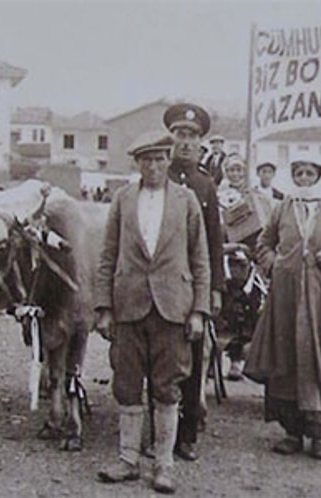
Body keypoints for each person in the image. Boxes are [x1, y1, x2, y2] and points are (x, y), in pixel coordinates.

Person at [94, 132, 210, 493]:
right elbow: (107, 257)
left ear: (168, 161)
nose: (154, 167)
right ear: (137, 164)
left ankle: (164, 463)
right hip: (129, 306)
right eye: (147, 161)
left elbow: (200, 259)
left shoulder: (186, 200)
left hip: (172, 307)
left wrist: (198, 311)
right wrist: (104, 307)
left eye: (160, 160)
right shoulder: (123, 199)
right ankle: (127, 459)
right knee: (127, 385)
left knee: (167, 387)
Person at [244, 155, 321, 460]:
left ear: (319, 175)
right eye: (299, 173)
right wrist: (273, 263)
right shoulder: (283, 207)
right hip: (286, 296)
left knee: (320, 356)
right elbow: (263, 242)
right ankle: (291, 431)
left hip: (320, 297)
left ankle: (320, 434)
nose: (304, 178)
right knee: (288, 357)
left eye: (310, 173)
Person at [161, 103, 224, 462]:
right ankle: (156, 431)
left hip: (192, 283)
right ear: (170, 137)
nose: (185, 142)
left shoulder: (205, 185)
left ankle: (185, 436)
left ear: (201, 142)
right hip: (159, 282)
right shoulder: (157, 176)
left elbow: (214, 241)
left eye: (193, 136)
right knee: (157, 358)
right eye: (180, 134)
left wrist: (213, 289)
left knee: (192, 359)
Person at [216, 154, 273, 381]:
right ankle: (216, 355)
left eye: (240, 170)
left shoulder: (256, 197)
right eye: (231, 171)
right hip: (227, 258)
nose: (236, 175)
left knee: (250, 306)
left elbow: (266, 227)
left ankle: (238, 358)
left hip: (251, 260)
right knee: (226, 305)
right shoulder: (218, 196)